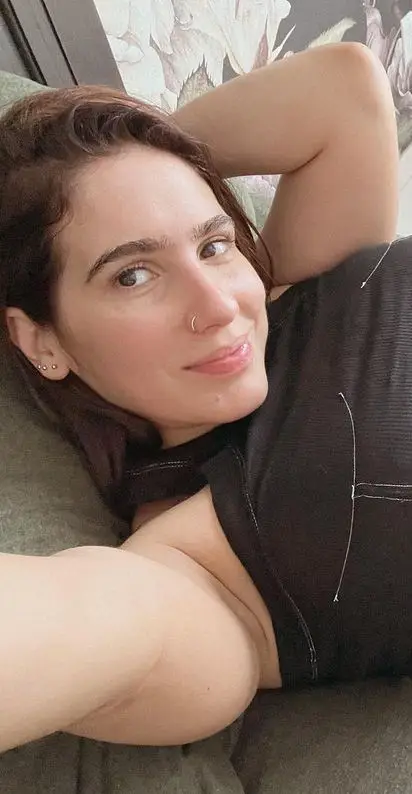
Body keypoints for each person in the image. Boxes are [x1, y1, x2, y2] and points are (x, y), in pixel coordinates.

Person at [0, 42, 399, 752]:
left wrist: (123, 162)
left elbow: (344, 87)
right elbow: (75, 624)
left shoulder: (304, 280)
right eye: (132, 275)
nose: (219, 306)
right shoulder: (203, 572)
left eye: (214, 244)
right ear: (42, 341)